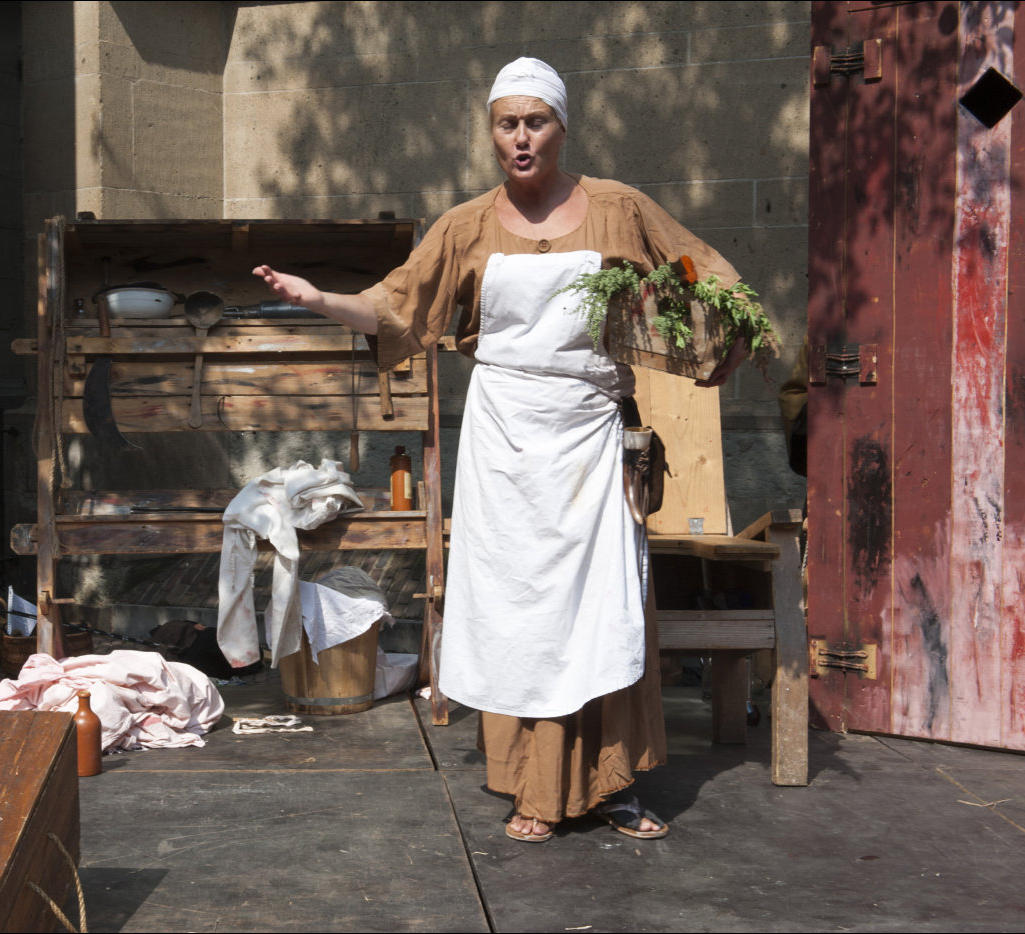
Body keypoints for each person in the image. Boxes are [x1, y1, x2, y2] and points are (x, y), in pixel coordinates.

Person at [254, 57, 746, 844]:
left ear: (561, 125)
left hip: (591, 435)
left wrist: (719, 327)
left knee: (601, 608)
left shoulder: (620, 210)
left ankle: (614, 786)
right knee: (520, 611)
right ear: (492, 131)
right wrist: (319, 300)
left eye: (535, 122)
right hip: (507, 440)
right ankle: (531, 789)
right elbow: (397, 305)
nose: (521, 138)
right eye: (506, 123)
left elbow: (701, 278)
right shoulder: (466, 226)